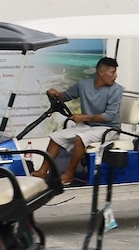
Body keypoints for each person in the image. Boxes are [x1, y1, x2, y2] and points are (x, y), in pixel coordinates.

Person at [47, 57, 122, 186]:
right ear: (101, 72)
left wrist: (83, 117)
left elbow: (109, 116)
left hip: (109, 129)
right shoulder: (83, 85)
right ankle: (42, 172)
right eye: (112, 72)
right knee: (55, 137)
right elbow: (66, 96)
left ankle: (69, 174)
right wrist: (56, 94)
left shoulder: (116, 90)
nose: (115, 76)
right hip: (88, 126)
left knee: (80, 138)